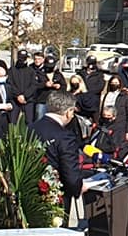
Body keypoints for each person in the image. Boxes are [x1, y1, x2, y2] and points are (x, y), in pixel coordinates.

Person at [28, 92, 86, 222]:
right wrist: (78, 187)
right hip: (54, 197)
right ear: (69, 112)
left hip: (28, 195)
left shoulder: (29, 129)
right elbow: (69, 171)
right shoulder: (65, 137)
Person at [100, 75, 128, 141]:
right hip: (106, 123)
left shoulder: (125, 96)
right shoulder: (107, 95)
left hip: (119, 125)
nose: (114, 84)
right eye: (112, 83)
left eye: (116, 83)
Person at [9, 49, 38, 124]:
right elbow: (10, 84)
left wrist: (25, 95)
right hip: (15, 100)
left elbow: (33, 85)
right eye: (21, 58)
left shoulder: (31, 71)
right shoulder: (12, 70)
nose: (23, 60)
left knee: (29, 122)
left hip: (28, 100)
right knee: (12, 122)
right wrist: (18, 95)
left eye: (24, 58)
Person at [35, 55, 65, 122]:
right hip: (42, 101)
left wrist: (59, 86)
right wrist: (44, 85)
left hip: (54, 101)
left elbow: (64, 86)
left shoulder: (58, 74)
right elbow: (34, 85)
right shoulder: (39, 73)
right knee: (40, 118)